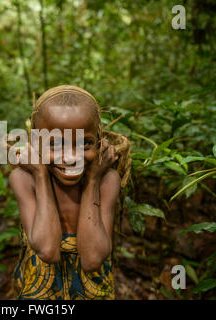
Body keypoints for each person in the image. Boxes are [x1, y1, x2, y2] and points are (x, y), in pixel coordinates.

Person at [10, 85, 131, 300]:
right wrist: (40, 175)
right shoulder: (24, 179)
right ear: (35, 143)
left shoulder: (106, 180)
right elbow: (47, 250)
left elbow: (92, 259)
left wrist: (93, 179)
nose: (70, 158)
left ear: (99, 140)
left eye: (85, 143)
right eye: (54, 144)